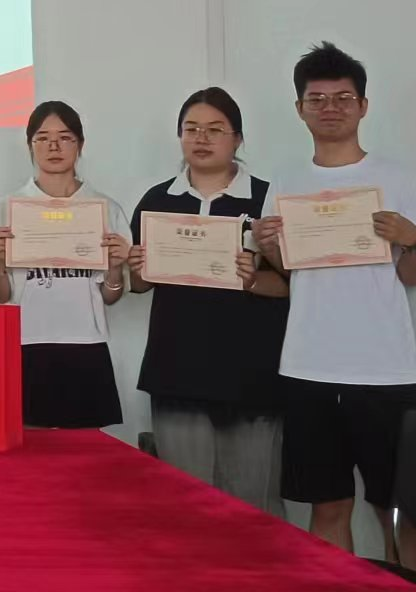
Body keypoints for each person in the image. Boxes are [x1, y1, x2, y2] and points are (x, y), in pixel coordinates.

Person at [254, 43, 416, 570]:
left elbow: (414, 275)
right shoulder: (285, 182)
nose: (330, 107)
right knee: (328, 504)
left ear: (363, 105)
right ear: (300, 109)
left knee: (399, 511)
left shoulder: (400, 179)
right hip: (307, 367)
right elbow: (290, 272)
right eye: (317, 99)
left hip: (383, 368)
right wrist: (269, 247)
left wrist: (414, 238)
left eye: (342, 98)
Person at [126, 87, 288, 513]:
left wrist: (251, 281)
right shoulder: (157, 200)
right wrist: (136, 267)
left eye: (215, 129)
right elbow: (140, 285)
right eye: (191, 129)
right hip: (176, 370)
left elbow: (292, 285)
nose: (201, 138)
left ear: (238, 138)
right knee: (186, 508)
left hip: (252, 373)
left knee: (254, 506)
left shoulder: (268, 199)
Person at [0, 100, 130, 429]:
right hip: (26, 342)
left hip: (85, 344)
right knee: (28, 449)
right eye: (43, 138)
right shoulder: (5, 208)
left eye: (65, 137)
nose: (54, 146)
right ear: (29, 145)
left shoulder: (105, 208)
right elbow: (1, 296)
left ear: (80, 144)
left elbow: (110, 297)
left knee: (83, 452)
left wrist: (114, 268)